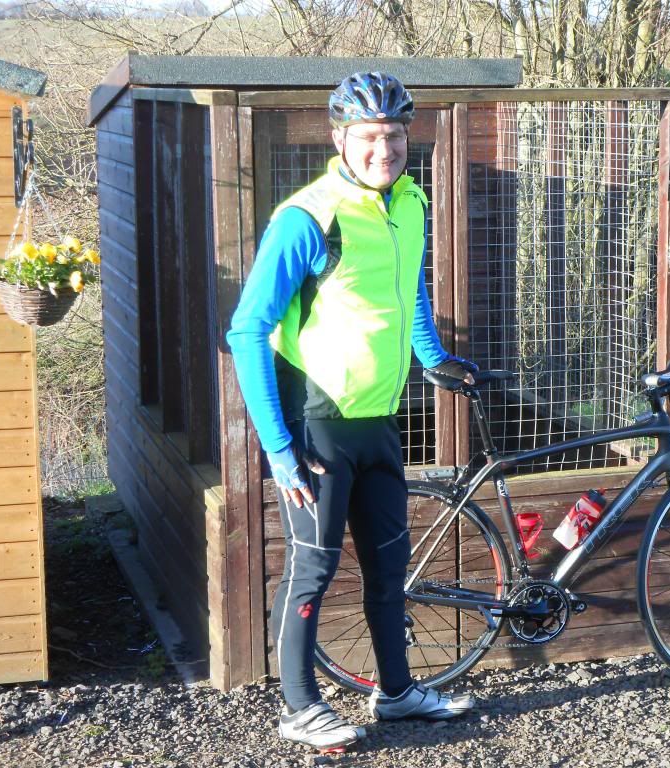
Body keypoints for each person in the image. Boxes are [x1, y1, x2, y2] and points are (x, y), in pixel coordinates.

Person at [227, 71, 478, 751]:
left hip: (379, 424)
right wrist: (279, 449)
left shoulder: (411, 203)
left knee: (389, 568)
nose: (383, 149)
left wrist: (432, 359)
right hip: (315, 428)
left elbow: (410, 294)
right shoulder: (308, 217)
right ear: (341, 138)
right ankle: (300, 706)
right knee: (311, 568)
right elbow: (246, 331)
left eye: (393, 135)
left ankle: (395, 694)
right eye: (368, 136)